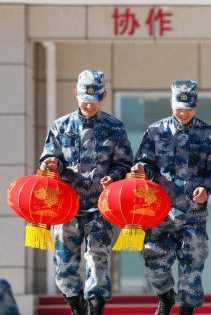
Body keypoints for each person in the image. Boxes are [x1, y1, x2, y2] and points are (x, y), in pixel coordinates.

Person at [39, 70, 133, 315]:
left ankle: (95, 309)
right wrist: (51, 164)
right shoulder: (61, 126)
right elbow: (49, 157)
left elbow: (125, 164)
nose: (89, 105)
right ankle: (76, 306)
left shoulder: (114, 127)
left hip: (101, 207)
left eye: (94, 101)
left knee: (97, 261)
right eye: (84, 99)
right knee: (63, 266)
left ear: (103, 97)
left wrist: (114, 176)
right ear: (75, 94)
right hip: (67, 207)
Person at [132, 80, 211, 315]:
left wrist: (207, 188)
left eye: (189, 108)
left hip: (192, 216)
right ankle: (166, 296)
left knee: (192, 269)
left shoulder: (208, 134)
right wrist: (142, 170)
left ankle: (187, 309)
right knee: (154, 265)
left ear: (197, 105)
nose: (183, 113)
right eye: (179, 107)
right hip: (159, 215)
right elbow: (145, 163)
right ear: (171, 104)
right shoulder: (155, 132)